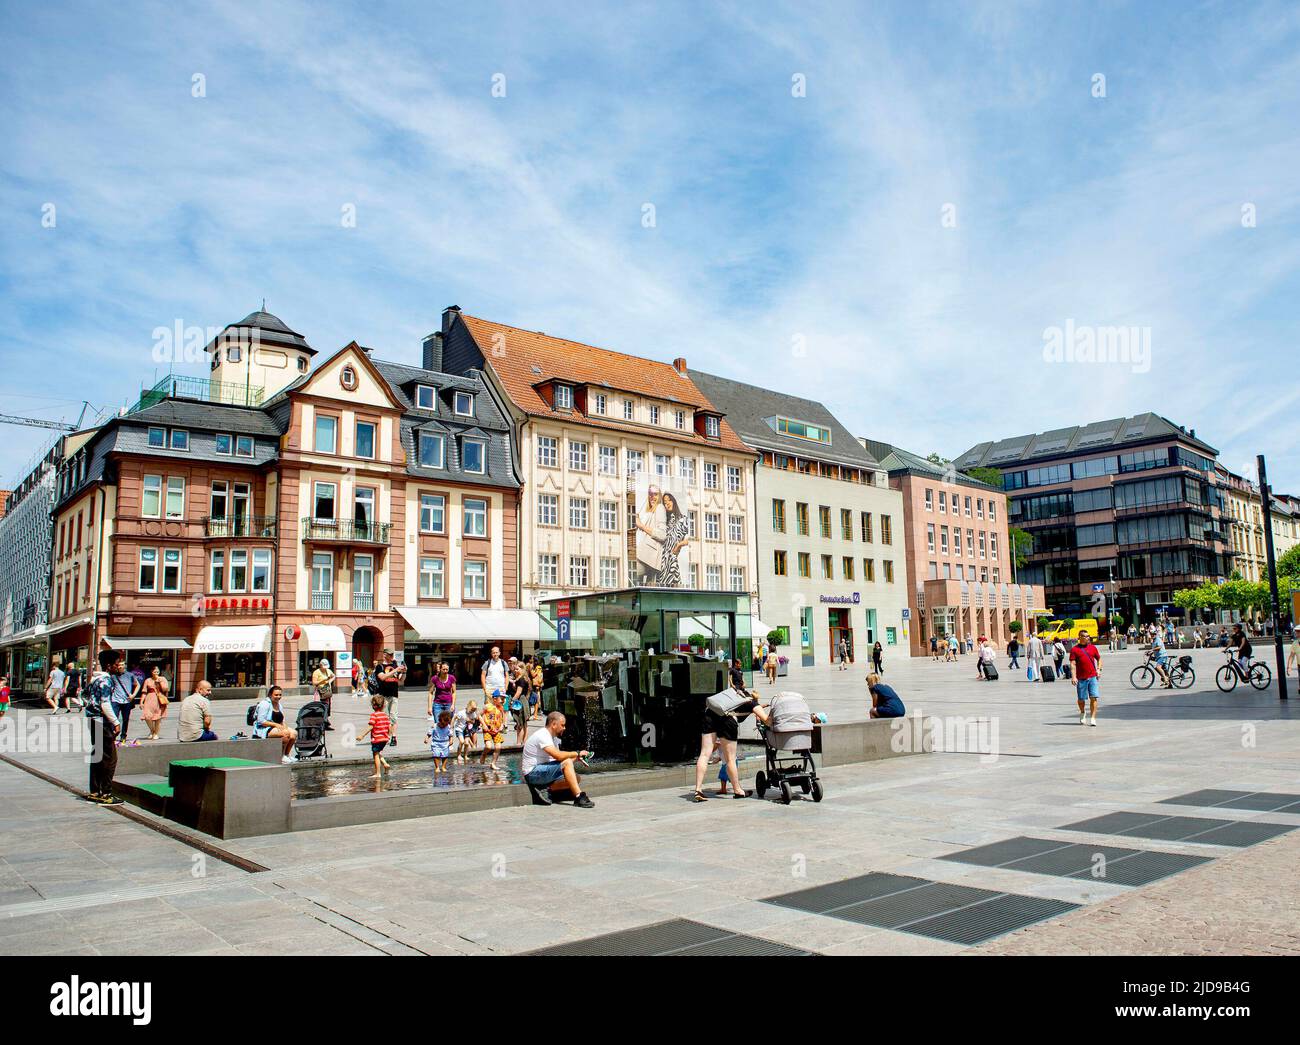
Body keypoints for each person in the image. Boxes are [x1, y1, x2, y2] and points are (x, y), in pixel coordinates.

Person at [692, 678, 766, 803]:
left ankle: (698, 789)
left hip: (710, 715)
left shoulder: (729, 695)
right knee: (730, 758)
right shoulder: (752, 702)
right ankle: (738, 790)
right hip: (727, 720)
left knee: (704, 754)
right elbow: (766, 719)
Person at [521, 711, 595, 807]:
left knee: (576, 778)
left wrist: (577, 758)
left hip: (542, 770)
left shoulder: (553, 738)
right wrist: (577, 753)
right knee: (568, 764)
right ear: (554, 724)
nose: (564, 728)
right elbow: (558, 756)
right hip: (532, 773)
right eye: (562, 725)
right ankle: (579, 797)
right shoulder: (543, 735)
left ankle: (544, 788)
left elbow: (559, 762)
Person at [83, 649, 125, 805]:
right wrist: (116, 722)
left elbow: (85, 697)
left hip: (92, 719)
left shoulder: (95, 680)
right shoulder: (106, 681)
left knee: (97, 756)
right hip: (102, 721)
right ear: (109, 666)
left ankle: (95, 791)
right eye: (116, 664)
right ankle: (106, 793)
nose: (119, 666)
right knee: (110, 758)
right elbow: (105, 703)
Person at [253, 685, 298, 763]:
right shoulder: (265, 704)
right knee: (285, 734)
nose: (278, 697)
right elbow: (261, 721)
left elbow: (282, 719)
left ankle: (287, 755)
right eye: (276, 695)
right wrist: (276, 725)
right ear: (270, 695)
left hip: (276, 726)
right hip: (264, 728)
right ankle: (281, 755)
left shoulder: (279, 704)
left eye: (280, 695)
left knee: (293, 733)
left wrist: (284, 725)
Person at [1069, 632, 1102, 726]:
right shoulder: (1074, 649)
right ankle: (1083, 712)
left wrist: (1099, 670)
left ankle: (1093, 718)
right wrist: (1074, 676)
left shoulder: (1093, 648)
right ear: (1080, 637)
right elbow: (1073, 664)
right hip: (1081, 678)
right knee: (1081, 699)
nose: (1087, 638)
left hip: (1092, 677)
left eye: (1088, 636)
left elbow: (1099, 659)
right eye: (1085, 636)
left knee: (1094, 697)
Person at [356, 695, 392, 777]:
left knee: (375, 755)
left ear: (373, 706)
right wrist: (388, 736)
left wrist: (362, 735)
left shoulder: (374, 715)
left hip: (377, 739)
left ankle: (378, 773)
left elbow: (370, 726)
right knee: (378, 752)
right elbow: (389, 726)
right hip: (384, 739)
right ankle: (385, 764)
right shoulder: (385, 715)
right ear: (383, 706)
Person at [376, 652, 405, 747]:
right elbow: (383, 677)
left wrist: (404, 672)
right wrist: (396, 669)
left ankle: (393, 737)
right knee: (385, 717)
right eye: (390, 655)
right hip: (383, 695)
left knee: (393, 717)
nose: (392, 656)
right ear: (384, 655)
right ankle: (386, 736)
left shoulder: (395, 665)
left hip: (394, 695)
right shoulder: (379, 666)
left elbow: (401, 680)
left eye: (392, 655)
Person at [110, 662, 140, 743]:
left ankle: (123, 735)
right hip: (115, 700)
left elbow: (138, 685)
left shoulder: (130, 675)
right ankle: (113, 734)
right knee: (113, 718)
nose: (120, 666)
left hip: (126, 701)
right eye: (119, 665)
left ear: (125, 666)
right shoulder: (113, 676)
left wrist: (133, 695)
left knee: (125, 719)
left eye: (122, 665)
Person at [139, 665, 170, 741]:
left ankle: (156, 733)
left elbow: (166, 689)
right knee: (147, 716)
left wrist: (159, 682)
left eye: (157, 671)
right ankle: (152, 730)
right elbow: (144, 692)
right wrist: (141, 701)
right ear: (151, 672)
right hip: (149, 698)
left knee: (158, 717)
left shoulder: (162, 679)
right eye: (154, 671)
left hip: (159, 698)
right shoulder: (148, 680)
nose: (156, 673)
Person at [507, 660, 530, 745]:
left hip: (520, 702)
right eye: (515, 669)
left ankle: (518, 743)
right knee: (523, 724)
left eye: (517, 669)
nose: (515, 670)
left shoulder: (521, 680)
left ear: (522, 669)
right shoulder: (521, 678)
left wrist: (512, 701)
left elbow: (518, 692)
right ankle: (524, 742)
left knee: (520, 724)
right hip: (522, 700)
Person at [479, 694, 507, 765]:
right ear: (495, 699)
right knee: (488, 746)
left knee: (498, 747)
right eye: (502, 699)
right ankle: (483, 755)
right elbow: (479, 715)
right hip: (488, 729)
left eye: (504, 699)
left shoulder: (501, 707)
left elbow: (503, 717)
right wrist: (484, 724)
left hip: (496, 730)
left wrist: (502, 725)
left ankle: (493, 763)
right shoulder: (487, 706)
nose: (503, 701)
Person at [311, 657, 336, 730]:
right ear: (320, 665)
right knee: (321, 707)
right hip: (320, 691)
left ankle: (325, 723)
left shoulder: (328, 670)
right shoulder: (316, 672)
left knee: (327, 707)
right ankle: (322, 723)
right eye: (323, 667)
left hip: (327, 691)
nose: (325, 668)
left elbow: (333, 676)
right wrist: (322, 681)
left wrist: (330, 681)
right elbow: (314, 683)